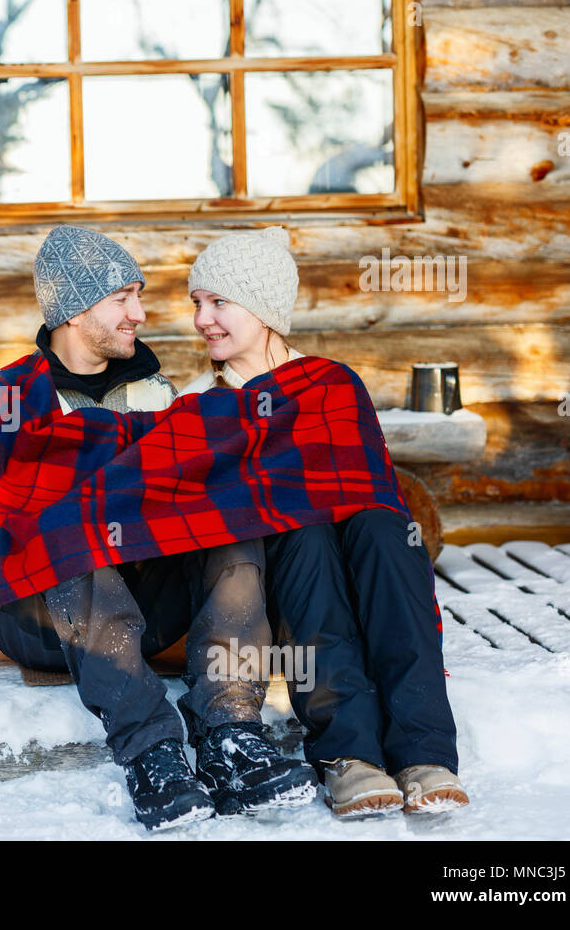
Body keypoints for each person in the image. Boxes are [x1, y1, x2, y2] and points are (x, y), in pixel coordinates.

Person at [0, 225, 317, 829]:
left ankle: (230, 731)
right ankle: (152, 750)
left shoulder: (158, 396)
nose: (141, 312)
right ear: (77, 311)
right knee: (66, 521)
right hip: (38, 612)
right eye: (123, 297)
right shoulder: (5, 397)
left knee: (230, 518)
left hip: (145, 600)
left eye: (139, 294)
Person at [179, 226, 469, 816]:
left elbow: (367, 483)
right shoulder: (199, 401)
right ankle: (349, 755)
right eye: (197, 304)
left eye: (219, 302)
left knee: (388, 531)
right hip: (279, 559)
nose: (203, 319)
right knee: (304, 535)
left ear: (262, 308)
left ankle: (423, 750)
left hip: (360, 546)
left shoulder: (332, 383)